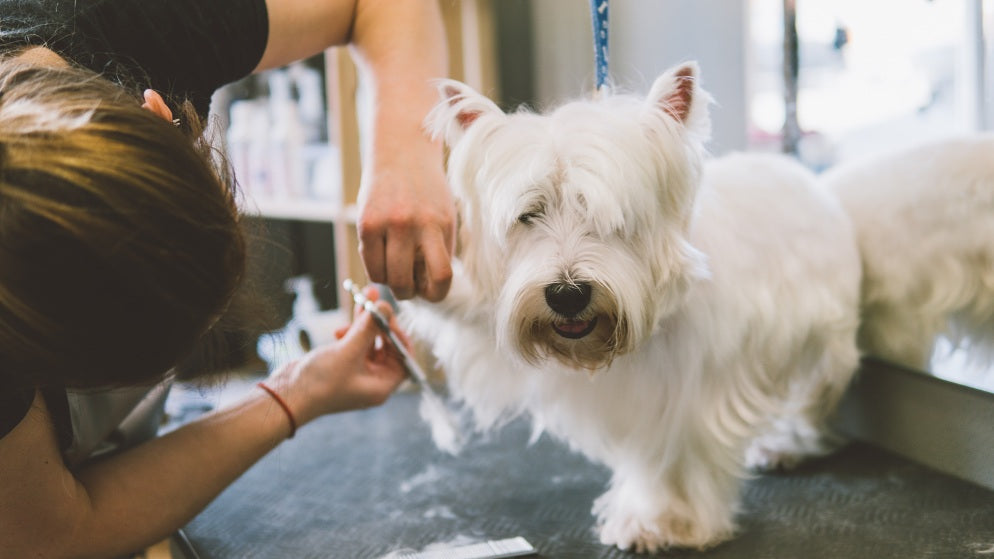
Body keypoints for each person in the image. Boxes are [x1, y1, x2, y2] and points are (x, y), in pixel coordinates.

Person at [0, 0, 453, 556]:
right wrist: (295, 394)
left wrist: (405, 153)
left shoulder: (136, 26)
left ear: (158, 113)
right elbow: (48, 531)